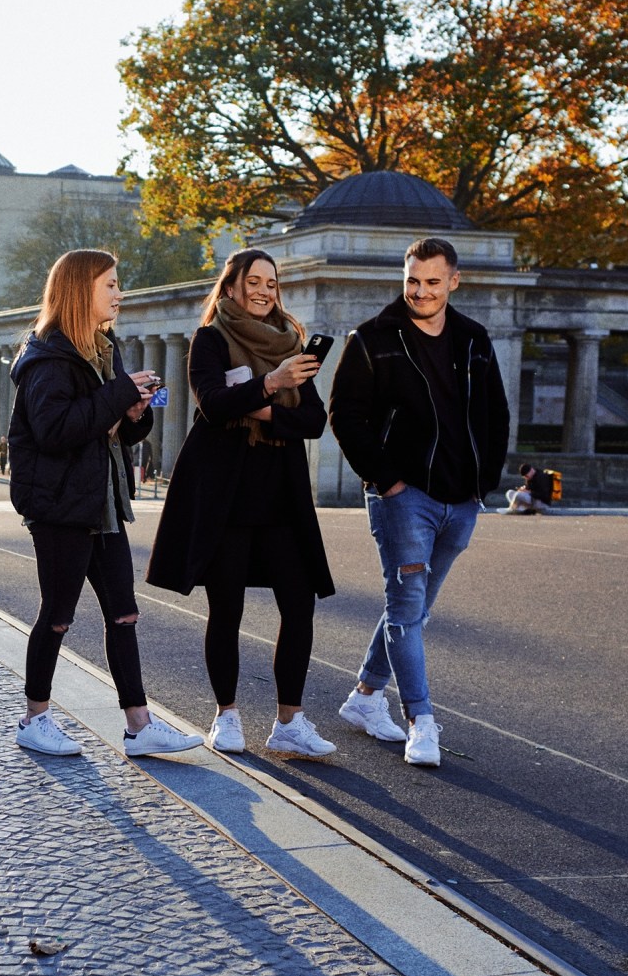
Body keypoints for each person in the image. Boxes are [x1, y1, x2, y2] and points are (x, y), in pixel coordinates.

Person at [7, 248, 202, 758]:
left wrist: (135, 410)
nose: (120, 294)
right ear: (79, 290)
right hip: (61, 505)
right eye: (110, 285)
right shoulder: (46, 359)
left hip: (103, 501)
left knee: (124, 615)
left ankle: (139, 726)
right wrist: (116, 398)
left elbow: (109, 429)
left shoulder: (103, 348)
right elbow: (54, 431)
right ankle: (34, 718)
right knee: (57, 615)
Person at [146, 248, 337, 758]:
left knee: (300, 605)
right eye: (253, 280)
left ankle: (289, 721)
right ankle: (226, 714)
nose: (264, 290)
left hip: (282, 494)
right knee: (225, 608)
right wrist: (272, 385)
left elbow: (314, 422)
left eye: (272, 283)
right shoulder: (210, 339)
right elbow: (213, 404)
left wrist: (264, 407)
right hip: (225, 494)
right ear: (230, 287)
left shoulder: (291, 344)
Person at [328, 237, 510, 767]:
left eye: (432, 281)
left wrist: (485, 483)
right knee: (407, 610)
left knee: (414, 610)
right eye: (412, 280)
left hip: (462, 498)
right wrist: (387, 481)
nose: (420, 291)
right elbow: (344, 417)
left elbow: (495, 413)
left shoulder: (474, 340)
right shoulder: (373, 339)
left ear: (454, 281)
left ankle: (364, 698)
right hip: (404, 497)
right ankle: (421, 721)